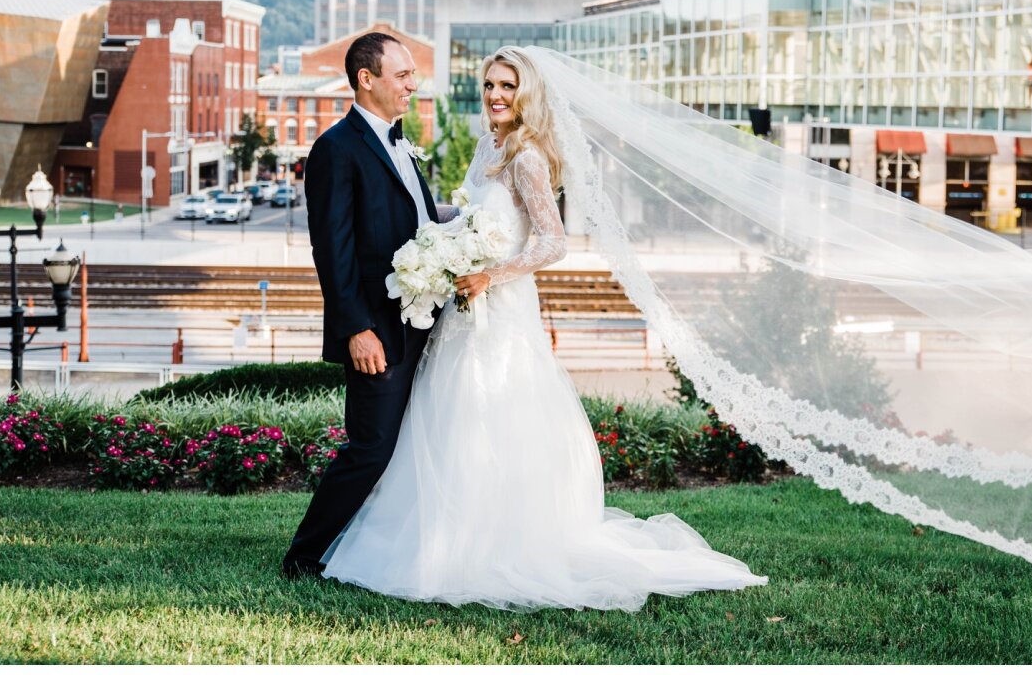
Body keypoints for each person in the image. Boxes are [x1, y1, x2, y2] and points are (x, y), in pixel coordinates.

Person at [319, 46, 766, 611]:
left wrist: (491, 273)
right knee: (448, 420)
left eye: (508, 86)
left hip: (502, 309)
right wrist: (449, 240)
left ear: (526, 93)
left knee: (496, 419)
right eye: (489, 86)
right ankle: (442, 537)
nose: (497, 96)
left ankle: (498, 546)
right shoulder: (486, 146)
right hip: (463, 311)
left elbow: (552, 241)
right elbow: (470, 216)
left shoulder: (527, 155)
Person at [280, 32, 439, 580]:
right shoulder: (335, 149)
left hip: (424, 319)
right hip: (377, 331)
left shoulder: (402, 141)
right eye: (402, 75)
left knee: (417, 441)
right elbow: (333, 250)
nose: (413, 85)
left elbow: (419, 225)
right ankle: (304, 557)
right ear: (366, 79)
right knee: (370, 447)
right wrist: (355, 328)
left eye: (413, 74)